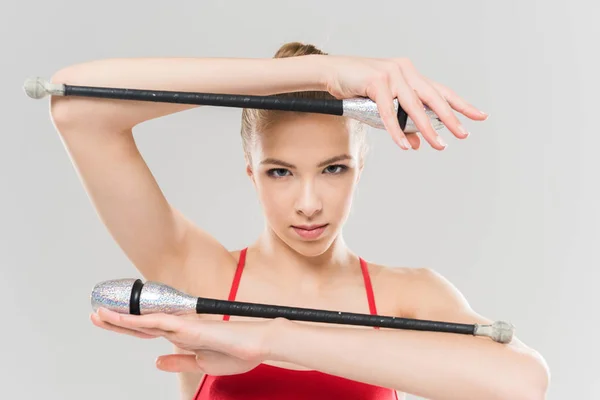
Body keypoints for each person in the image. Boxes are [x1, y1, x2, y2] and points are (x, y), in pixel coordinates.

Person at [49, 42, 549, 400]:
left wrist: (272, 339)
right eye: (280, 171)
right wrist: (321, 72)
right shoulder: (200, 276)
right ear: (251, 171)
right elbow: (77, 106)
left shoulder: (408, 297)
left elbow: (522, 385)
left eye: (333, 168)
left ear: (360, 165)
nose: (308, 203)